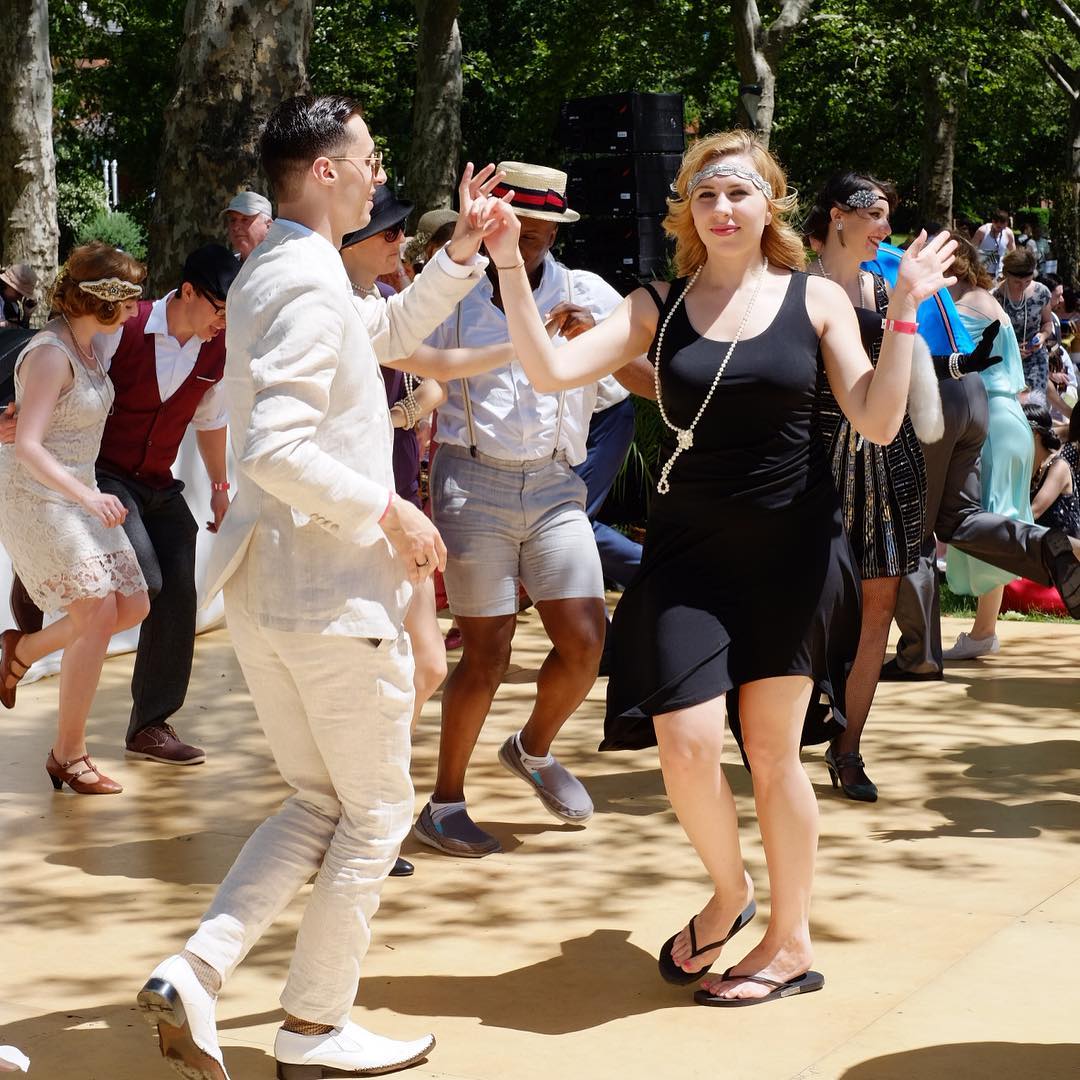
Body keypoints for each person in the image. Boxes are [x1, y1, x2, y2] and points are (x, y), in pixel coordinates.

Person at [485, 130, 955, 1005]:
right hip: (687, 559)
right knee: (688, 745)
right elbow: (550, 372)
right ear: (687, 212)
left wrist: (901, 313)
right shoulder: (656, 304)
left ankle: (790, 942)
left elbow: (878, 419)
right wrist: (510, 261)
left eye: (738, 192)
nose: (722, 208)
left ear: (768, 204)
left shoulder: (816, 300)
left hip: (791, 554)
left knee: (772, 754)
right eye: (705, 194)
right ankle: (732, 893)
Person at [137, 94, 500, 1080]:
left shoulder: (288, 270)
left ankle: (195, 972)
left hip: (279, 595)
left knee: (318, 803)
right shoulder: (302, 278)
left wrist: (463, 251)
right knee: (376, 813)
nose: (382, 174)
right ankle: (312, 1026)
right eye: (370, 159)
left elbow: (383, 331)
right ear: (327, 170)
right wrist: (391, 511)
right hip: (331, 597)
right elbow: (274, 449)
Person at [411, 160, 633, 859]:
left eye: (542, 226)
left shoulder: (587, 292)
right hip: (472, 478)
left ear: (558, 231)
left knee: (587, 640)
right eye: (517, 221)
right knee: (487, 653)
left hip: (555, 483)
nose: (529, 234)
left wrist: (594, 346)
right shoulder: (452, 287)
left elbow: (629, 385)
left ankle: (532, 747)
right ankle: (444, 803)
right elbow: (411, 360)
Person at [1, 246, 239, 767]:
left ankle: (150, 725)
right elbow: (62, 383)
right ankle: (34, 579)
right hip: (103, 474)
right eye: (220, 309)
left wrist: (221, 488)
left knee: (179, 587)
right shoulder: (122, 324)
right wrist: (17, 419)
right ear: (189, 292)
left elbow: (211, 421)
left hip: (157, 480)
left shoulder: (217, 350)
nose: (224, 322)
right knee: (143, 583)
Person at [802, 172, 940, 803]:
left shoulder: (887, 289)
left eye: (889, 215)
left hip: (885, 461)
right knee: (808, 606)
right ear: (838, 215)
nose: (886, 228)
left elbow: (911, 372)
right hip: (813, 464)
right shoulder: (795, 287)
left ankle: (848, 746)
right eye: (876, 214)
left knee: (878, 607)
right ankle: (785, 727)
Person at [0, 243, 150, 794]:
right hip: (36, 494)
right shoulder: (50, 353)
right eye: (127, 300)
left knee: (133, 604)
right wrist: (88, 498)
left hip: (77, 490)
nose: (134, 310)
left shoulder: (90, 345)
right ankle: (69, 754)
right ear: (101, 301)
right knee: (97, 609)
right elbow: (28, 447)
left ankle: (22, 650)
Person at [340, 183, 450, 879]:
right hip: (355, 513)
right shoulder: (329, 306)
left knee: (429, 666)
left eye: (402, 232)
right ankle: (363, 815)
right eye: (388, 232)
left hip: (401, 494)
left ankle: (368, 807)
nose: (399, 243)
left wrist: (403, 415)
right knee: (373, 676)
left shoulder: (388, 303)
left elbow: (435, 380)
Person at [942, 238, 1035, 660]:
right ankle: (984, 631)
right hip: (1010, 418)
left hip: (992, 420)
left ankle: (983, 633)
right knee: (999, 519)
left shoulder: (962, 308)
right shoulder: (990, 301)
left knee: (993, 523)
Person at [995, 248, 1053, 406]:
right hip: (1004, 359)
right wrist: (1011, 350)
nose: (1023, 286)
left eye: (1027, 281)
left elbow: (1047, 323)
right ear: (1006, 275)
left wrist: (1043, 336)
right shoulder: (995, 296)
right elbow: (988, 335)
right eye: (1017, 282)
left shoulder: (1041, 293)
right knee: (1009, 406)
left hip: (1034, 358)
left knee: (1034, 406)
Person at [1027, 403, 1080, 536]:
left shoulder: (1059, 466)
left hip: (1067, 545)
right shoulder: (1033, 464)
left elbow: (1033, 512)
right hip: (1042, 541)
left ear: (1035, 434)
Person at [221, 191, 273, 261]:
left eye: (245, 219)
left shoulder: (280, 263)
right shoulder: (224, 264)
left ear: (268, 225)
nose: (236, 227)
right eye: (233, 220)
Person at [973, 209, 1015, 281]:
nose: (1000, 229)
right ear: (993, 221)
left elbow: (1013, 254)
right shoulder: (982, 231)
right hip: (982, 273)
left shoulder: (1008, 233)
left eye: (1003, 226)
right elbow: (971, 250)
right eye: (998, 227)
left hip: (1000, 274)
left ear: (1006, 224)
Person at [0, 264, 38, 329]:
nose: (20, 298)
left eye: (23, 295)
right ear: (8, 284)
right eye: (18, 293)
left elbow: (21, 333)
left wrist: (26, 316)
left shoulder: (14, 305)